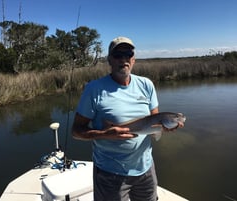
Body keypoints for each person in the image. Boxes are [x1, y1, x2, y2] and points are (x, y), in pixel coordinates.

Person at [72, 36, 182, 201]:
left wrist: (165, 128)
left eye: (128, 54)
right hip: (110, 173)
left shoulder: (146, 85)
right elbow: (76, 131)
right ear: (109, 59)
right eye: (118, 55)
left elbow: (154, 124)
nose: (124, 59)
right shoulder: (93, 89)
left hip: (145, 169)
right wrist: (104, 135)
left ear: (134, 59)